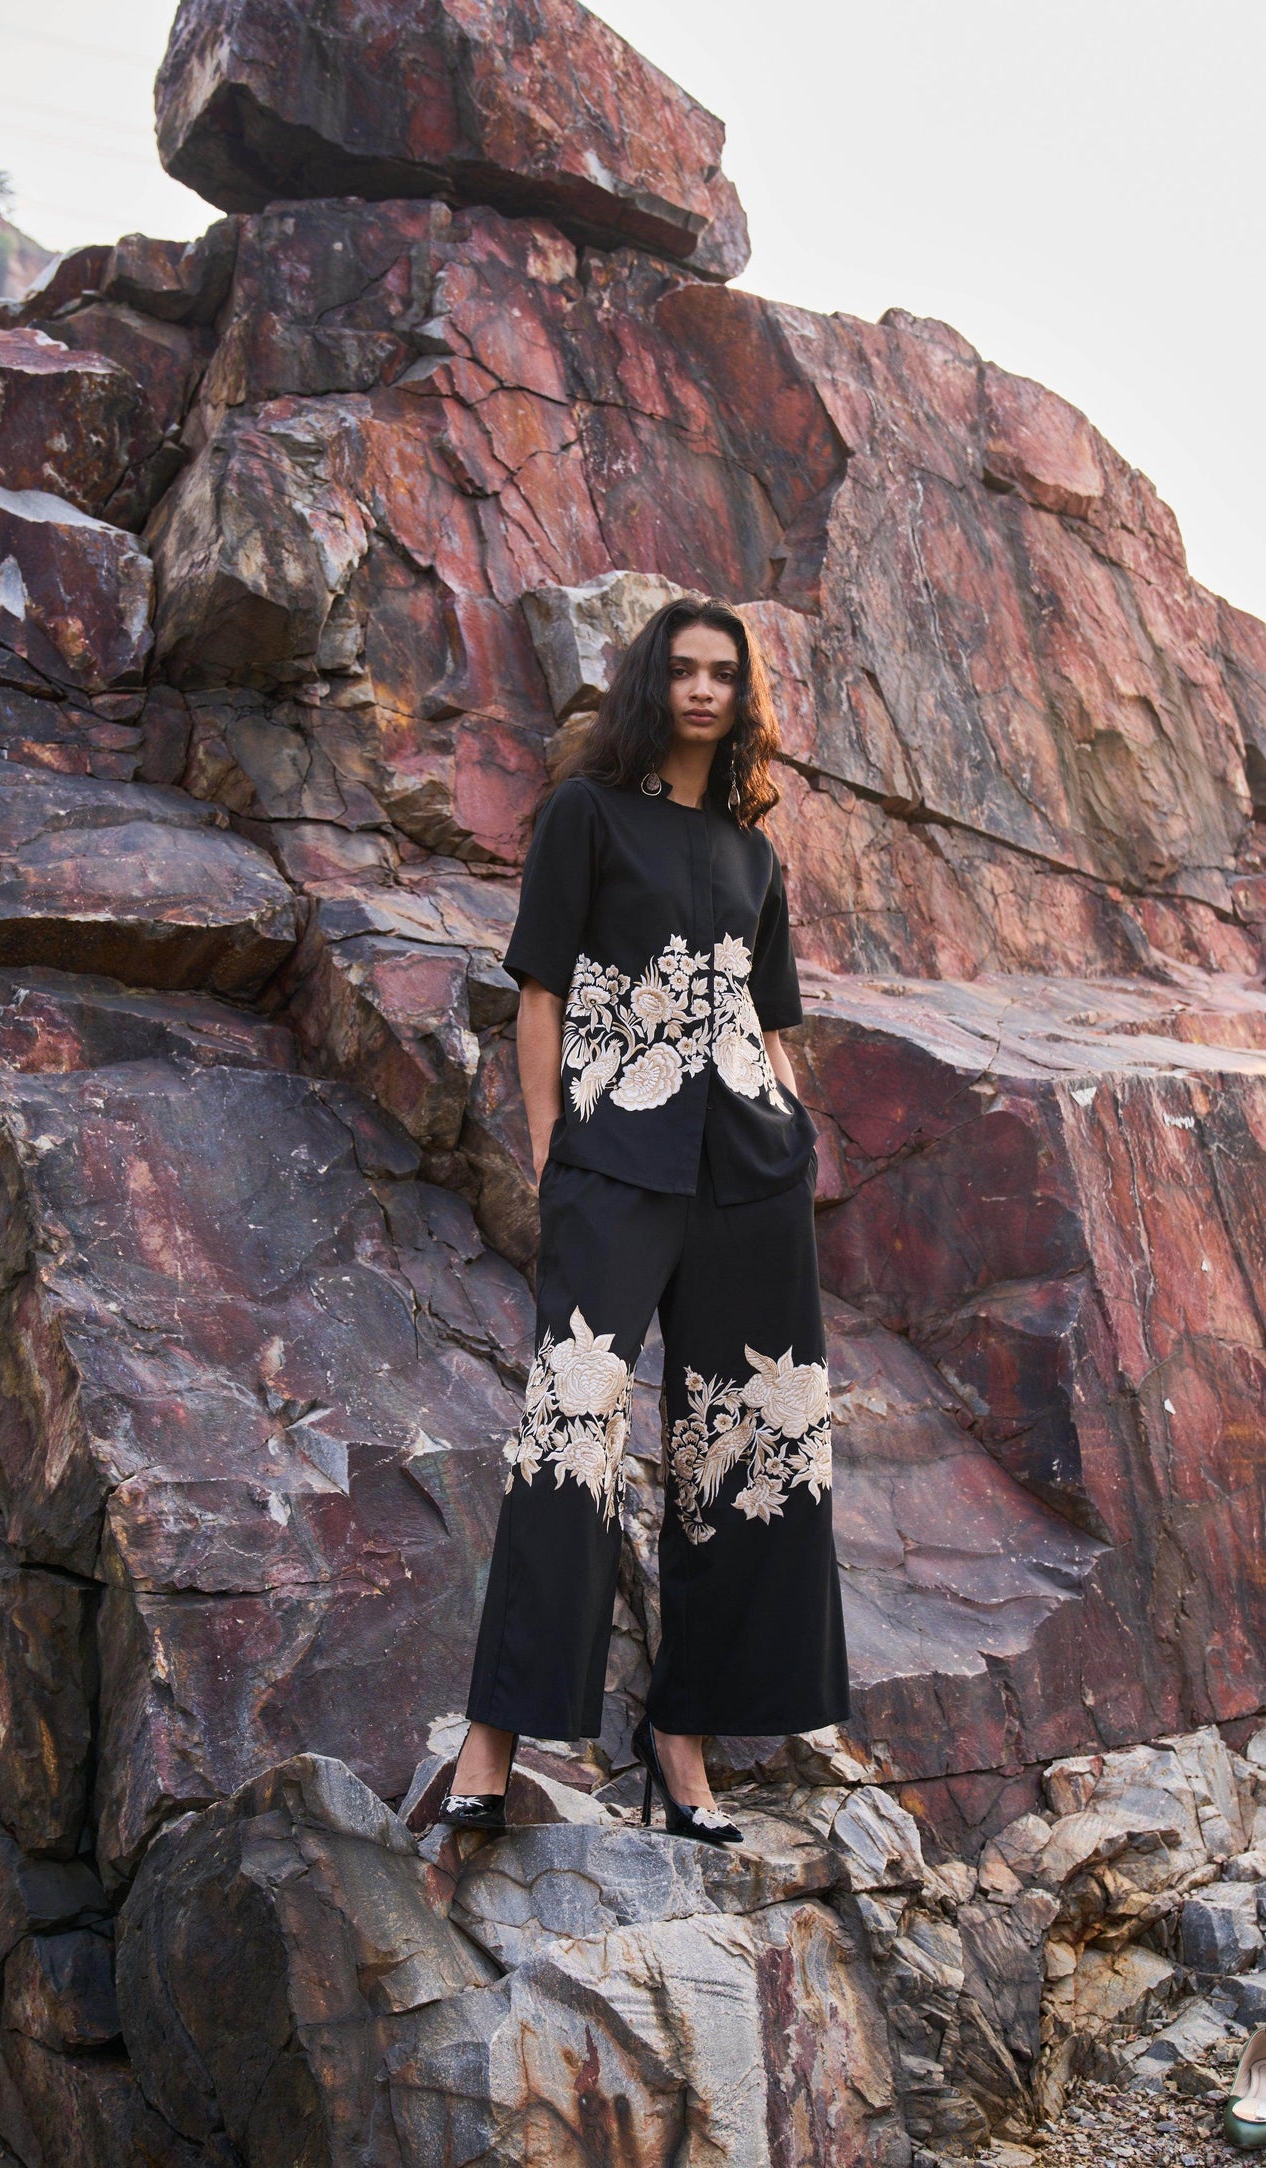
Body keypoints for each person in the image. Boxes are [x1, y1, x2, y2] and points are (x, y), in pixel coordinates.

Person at [437, 595, 850, 1845]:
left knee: (750, 1448)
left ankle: (682, 1742)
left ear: (742, 695)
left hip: (749, 1176)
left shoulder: (751, 856)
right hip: (613, 1155)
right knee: (567, 1430)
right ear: (648, 685)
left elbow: (769, 1021)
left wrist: (793, 1132)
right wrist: (549, 1147)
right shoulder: (585, 814)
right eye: (682, 669)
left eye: (723, 672)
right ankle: (492, 1738)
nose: (703, 688)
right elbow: (540, 991)